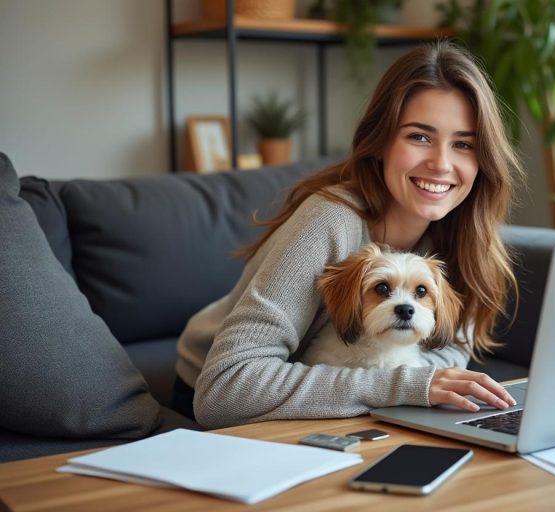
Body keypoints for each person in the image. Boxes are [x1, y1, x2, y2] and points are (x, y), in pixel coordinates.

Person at [173, 40, 526, 429]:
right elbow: (225, 390)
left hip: (340, 396)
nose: (441, 164)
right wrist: (402, 386)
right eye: (419, 137)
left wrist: (411, 386)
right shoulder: (329, 220)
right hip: (220, 390)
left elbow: (450, 354)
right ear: (381, 143)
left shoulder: (465, 234)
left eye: (463, 144)